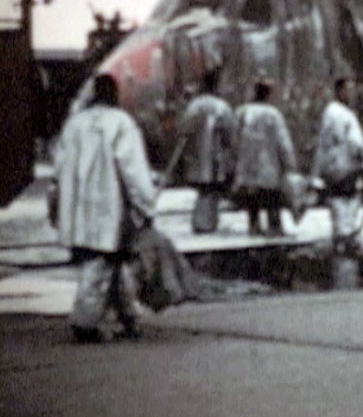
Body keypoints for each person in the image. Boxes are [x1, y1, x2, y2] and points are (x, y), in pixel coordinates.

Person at [53, 74, 157, 342]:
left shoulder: (74, 124)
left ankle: (129, 316)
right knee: (102, 262)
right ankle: (84, 321)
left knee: (112, 262)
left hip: (79, 207)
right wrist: (146, 204)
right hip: (112, 206)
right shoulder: (121, 123)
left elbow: (59, 165)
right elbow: (133, 170)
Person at [311, 77, 363, 253]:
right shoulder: (346, 115)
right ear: (339, 91)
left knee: (336, 198)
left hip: (331, 165)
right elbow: (356, 143)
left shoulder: (328, 113)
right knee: (350, 198)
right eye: (348, 90)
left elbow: (322, 143)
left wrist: (318, 169)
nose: (351, 94)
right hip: (347, 165)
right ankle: (347, 235)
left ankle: (339, 234)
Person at [232, 80, 298, 237]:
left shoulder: (242, 112)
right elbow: (283, 141)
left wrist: (235, 159)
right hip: (268, 164)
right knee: (271, 197)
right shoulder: (273, 114)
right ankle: (274, 226)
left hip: (247, 164)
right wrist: (290, 163)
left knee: (252, 197)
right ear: (268, 94)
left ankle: (254, 226)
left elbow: (234, 138)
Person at [178, 69, 236, 233]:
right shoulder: (221, 107)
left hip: (196, 154)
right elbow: (230, 132)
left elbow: (184, 129)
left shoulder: (194, 106)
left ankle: (204, 220)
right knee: (211, 189)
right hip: (215, 154)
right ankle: (205, 222)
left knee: (204, 189)